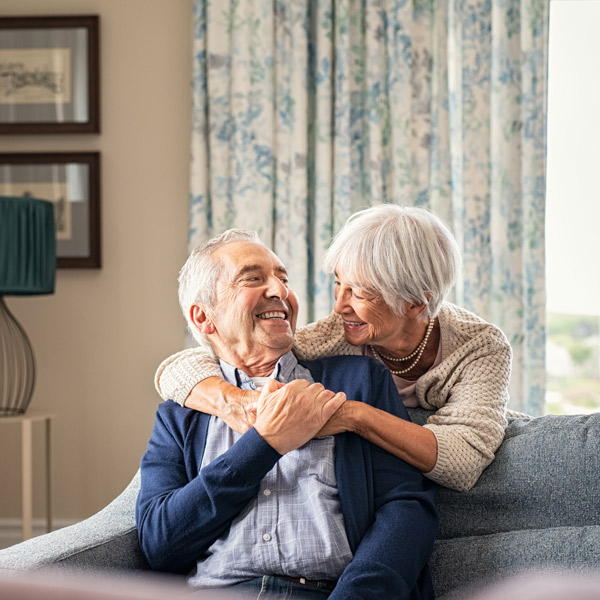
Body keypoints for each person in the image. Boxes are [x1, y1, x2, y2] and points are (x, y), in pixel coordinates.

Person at [136, 230, 438, 600]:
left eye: (283, 278)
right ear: (204, 317)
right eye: (253, 278)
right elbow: (159, 545)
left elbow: (407, 509)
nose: (279, 290)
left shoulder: (358, 381)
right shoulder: (179, 416)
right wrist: (263, 444)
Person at [155, 205, 512, 492]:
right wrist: (235, 401)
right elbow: (183, 366)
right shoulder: (335, 334)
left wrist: (353, 416)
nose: (339, 306)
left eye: (359, 292)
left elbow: (463, 463)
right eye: (338, 284)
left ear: (416, 303)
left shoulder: (480, 347)